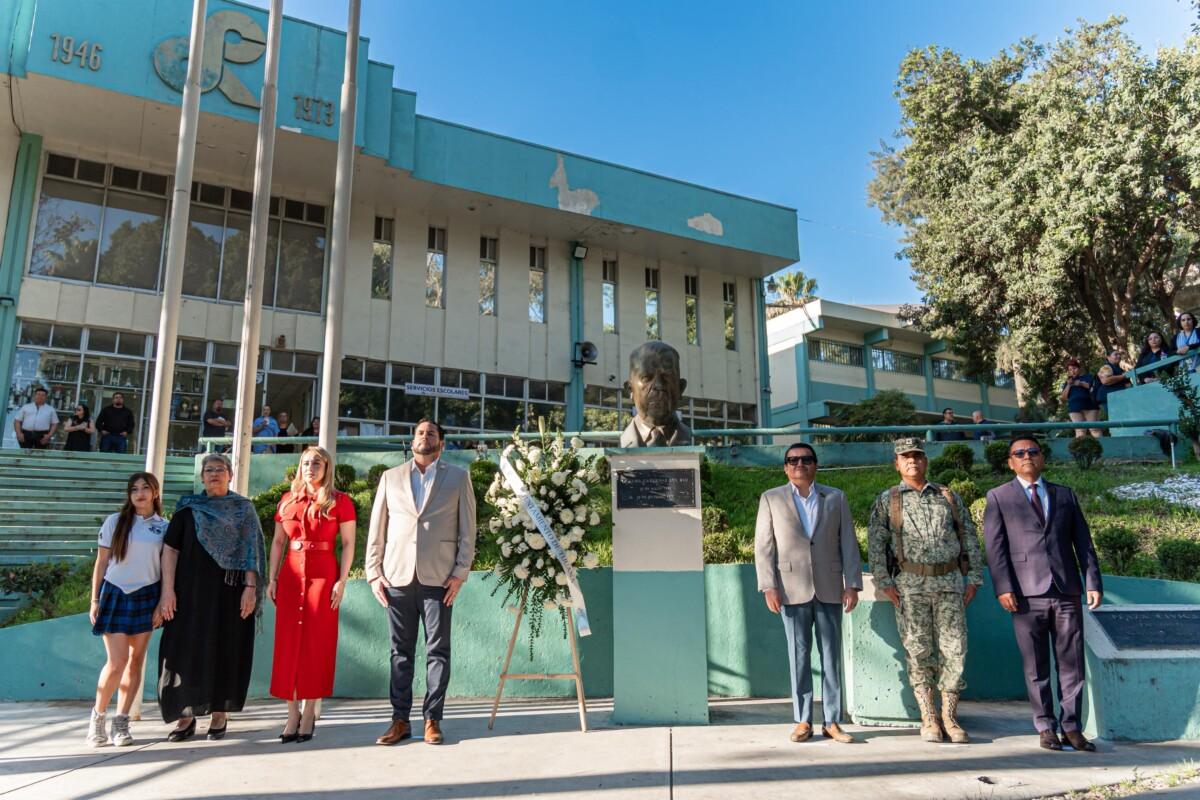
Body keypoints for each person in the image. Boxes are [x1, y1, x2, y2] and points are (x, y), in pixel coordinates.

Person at [982, 435, 1103, 753]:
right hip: (1024, 594)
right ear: (1010, 462)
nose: (1026, 456)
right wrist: (1003, 587)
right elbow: (995, 549)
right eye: (1019, 453)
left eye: (1032, 451)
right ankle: (1046, 726)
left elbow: (1084, 544)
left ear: (1042, 458)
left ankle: (1072, 727)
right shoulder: (998, 497)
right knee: (1035, 665)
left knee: (1072, 662)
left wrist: (1092, 582)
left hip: (1066, 590)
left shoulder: (1065, 495)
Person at [867, 437, 984, 744]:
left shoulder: (947, 496)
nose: (913, 461)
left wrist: (973, 577)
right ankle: (929, 718)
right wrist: (884, 582)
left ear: (925, 460)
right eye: (906, 457)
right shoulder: (888, 500)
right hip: (910, 584)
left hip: (948, 583)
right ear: (896, 463)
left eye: (918, 456)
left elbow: (969, 536)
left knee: (954, 650)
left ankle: (950, 716)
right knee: (918, 651)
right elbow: (876, 544)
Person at [366, 419, 476, 746]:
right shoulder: (391, 477)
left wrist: (460, 572)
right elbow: (377, 528)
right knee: (399, 652)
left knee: (437, 651)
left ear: (441, 443)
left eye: (430, 433)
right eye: (419, 432)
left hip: (440, 577)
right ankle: (399, 720)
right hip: (396, 575)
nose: (423, 436)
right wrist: (373, 572)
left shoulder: (458, 477)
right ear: (412, 440)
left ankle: (432, 719)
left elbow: (468, 531)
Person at [754, 442, 862, 744]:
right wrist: (768, 586)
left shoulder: (836, 497)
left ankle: (832, 721)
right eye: (792, 460)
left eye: (805, 459)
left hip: (829, 587)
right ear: (785, 467)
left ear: (815, 464)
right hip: (790, 589)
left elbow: (849, 544)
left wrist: (851, 583)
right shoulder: (771, 498)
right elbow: (763, 547)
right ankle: (802, 720)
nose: (799, 464)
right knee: (798, 656)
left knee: (831, 656)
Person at [155, 453, 265, 742]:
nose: (214, 474)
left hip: (230, 594)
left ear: (230, 474)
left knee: (226, 649)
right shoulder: (188, 508)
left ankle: (219, 712)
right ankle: (185, 716)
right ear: (201, 477)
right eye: (208, 470)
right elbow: (170, 550)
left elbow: (252, 551)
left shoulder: (243, 509)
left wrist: (250, 589)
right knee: (180, 651)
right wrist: (167, 591)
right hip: (187, 594)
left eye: (220, 469)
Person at [267, 446, 357, 743]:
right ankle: (291, 712)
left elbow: (348, 544)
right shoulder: (286, 501)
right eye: (306, 462)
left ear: (327, 467)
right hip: (291, 578)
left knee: (317, 645)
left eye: (317, 462)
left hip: (323, 576)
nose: (310, 467)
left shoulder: (340, 502)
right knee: (288, 645)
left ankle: (308, 713)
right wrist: (273, 578)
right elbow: (278, 543)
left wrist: (341, 581)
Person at [86, 472, 167, 748]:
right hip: (116, 593)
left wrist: (162, 601)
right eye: (134, 489)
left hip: (147, 595)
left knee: (136, 661)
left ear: (155, 492)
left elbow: (167, 568)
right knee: (116, 662)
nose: (140, 493)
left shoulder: (164, 527)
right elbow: (101, 563)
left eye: (145, 488)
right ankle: (97, 719)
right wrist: (94, 600)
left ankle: (121, 723)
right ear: (129, 494)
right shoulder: (115, 522)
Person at [618, 341, 693, 447]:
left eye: (666, 377)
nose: (658, 385)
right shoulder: (624, 441)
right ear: (630, 390)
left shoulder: (691, 438)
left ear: (680, 388)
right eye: (646, 378)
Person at [1059, 359, 1101, 439]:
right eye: (1070, 370)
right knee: (1080, 431)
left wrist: (1081, 383)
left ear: (1079, 368)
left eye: (1074, 368)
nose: (1072, 371)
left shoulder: (1088, 376)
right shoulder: (1068, 382)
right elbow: (1064, 397)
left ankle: (1102, 449)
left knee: (1095, 429)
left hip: (1090, 406)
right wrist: (1069, 385)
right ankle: (1081, 450)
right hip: (1074, 408)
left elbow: (1092, 387)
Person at [1094, 349, 1131, 415]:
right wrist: (1122, 377)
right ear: (1108, 357)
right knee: (1116, 419)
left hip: (1120, 398)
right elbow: (1105, 381)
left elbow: (1128, 385)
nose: (1118, 356)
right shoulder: (1106, 367)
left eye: (1119, 354)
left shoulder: (1121, 370)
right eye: (1115, 354)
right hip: (1109, 399)